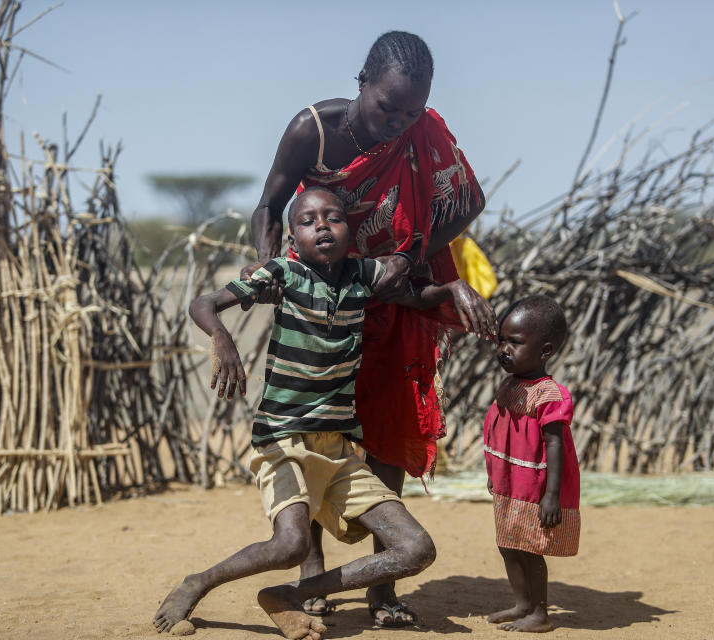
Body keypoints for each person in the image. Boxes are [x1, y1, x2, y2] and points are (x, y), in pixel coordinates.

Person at [153, 188, 489, 638]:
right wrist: (221, 337)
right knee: (290, 543)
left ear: (352, 231)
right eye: (309, 221)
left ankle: (293, 594)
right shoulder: (284, 273)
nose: (323, 226)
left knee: (416, 549)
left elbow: (416, 297)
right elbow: (204, 303)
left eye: (333, 218)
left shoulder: (361, 274)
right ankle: (198, 583)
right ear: (293, 236)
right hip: (283, 440)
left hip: (339, 449)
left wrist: (453, 286)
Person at [247, 30, 494, 626]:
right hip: (326, 297)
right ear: (362, 83)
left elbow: (469, 201)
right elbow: (270, 205)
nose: (400, 122)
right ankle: (310, 575)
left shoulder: (422, 133)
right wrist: (270, 265)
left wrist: (412, 255)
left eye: (413, 110)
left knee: (386, 426)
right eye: (389, 107)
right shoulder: (316, 130)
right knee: (313, 426)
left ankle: (384, 588)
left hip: (397, 295)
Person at [483, 295, 580, 633]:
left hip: (535, 488)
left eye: (516, 342)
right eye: (501, 340)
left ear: (545, 350)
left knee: (529, 548)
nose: (504, 349)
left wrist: (551, 496)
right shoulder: (511, 384)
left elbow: (556, 446)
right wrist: (494, 474)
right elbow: (500, 432)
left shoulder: (549, 395)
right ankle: (522, 603)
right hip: (511, 483)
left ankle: (540, 612)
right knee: (508, 543)